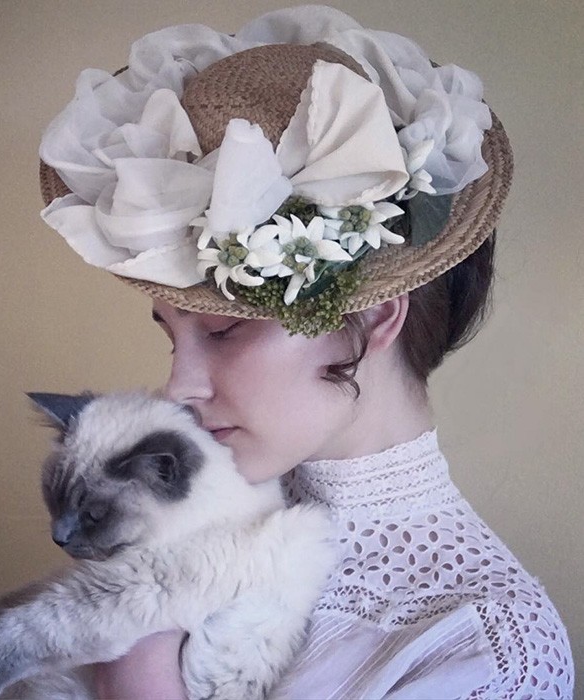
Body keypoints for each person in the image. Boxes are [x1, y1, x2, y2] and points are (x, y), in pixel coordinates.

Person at [38, 6, 573, 698]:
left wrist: (134, 659)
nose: (178, 388)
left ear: (374, 318)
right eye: (170, 334)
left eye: (223, 330)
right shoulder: (176, 498)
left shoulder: (484, 650)